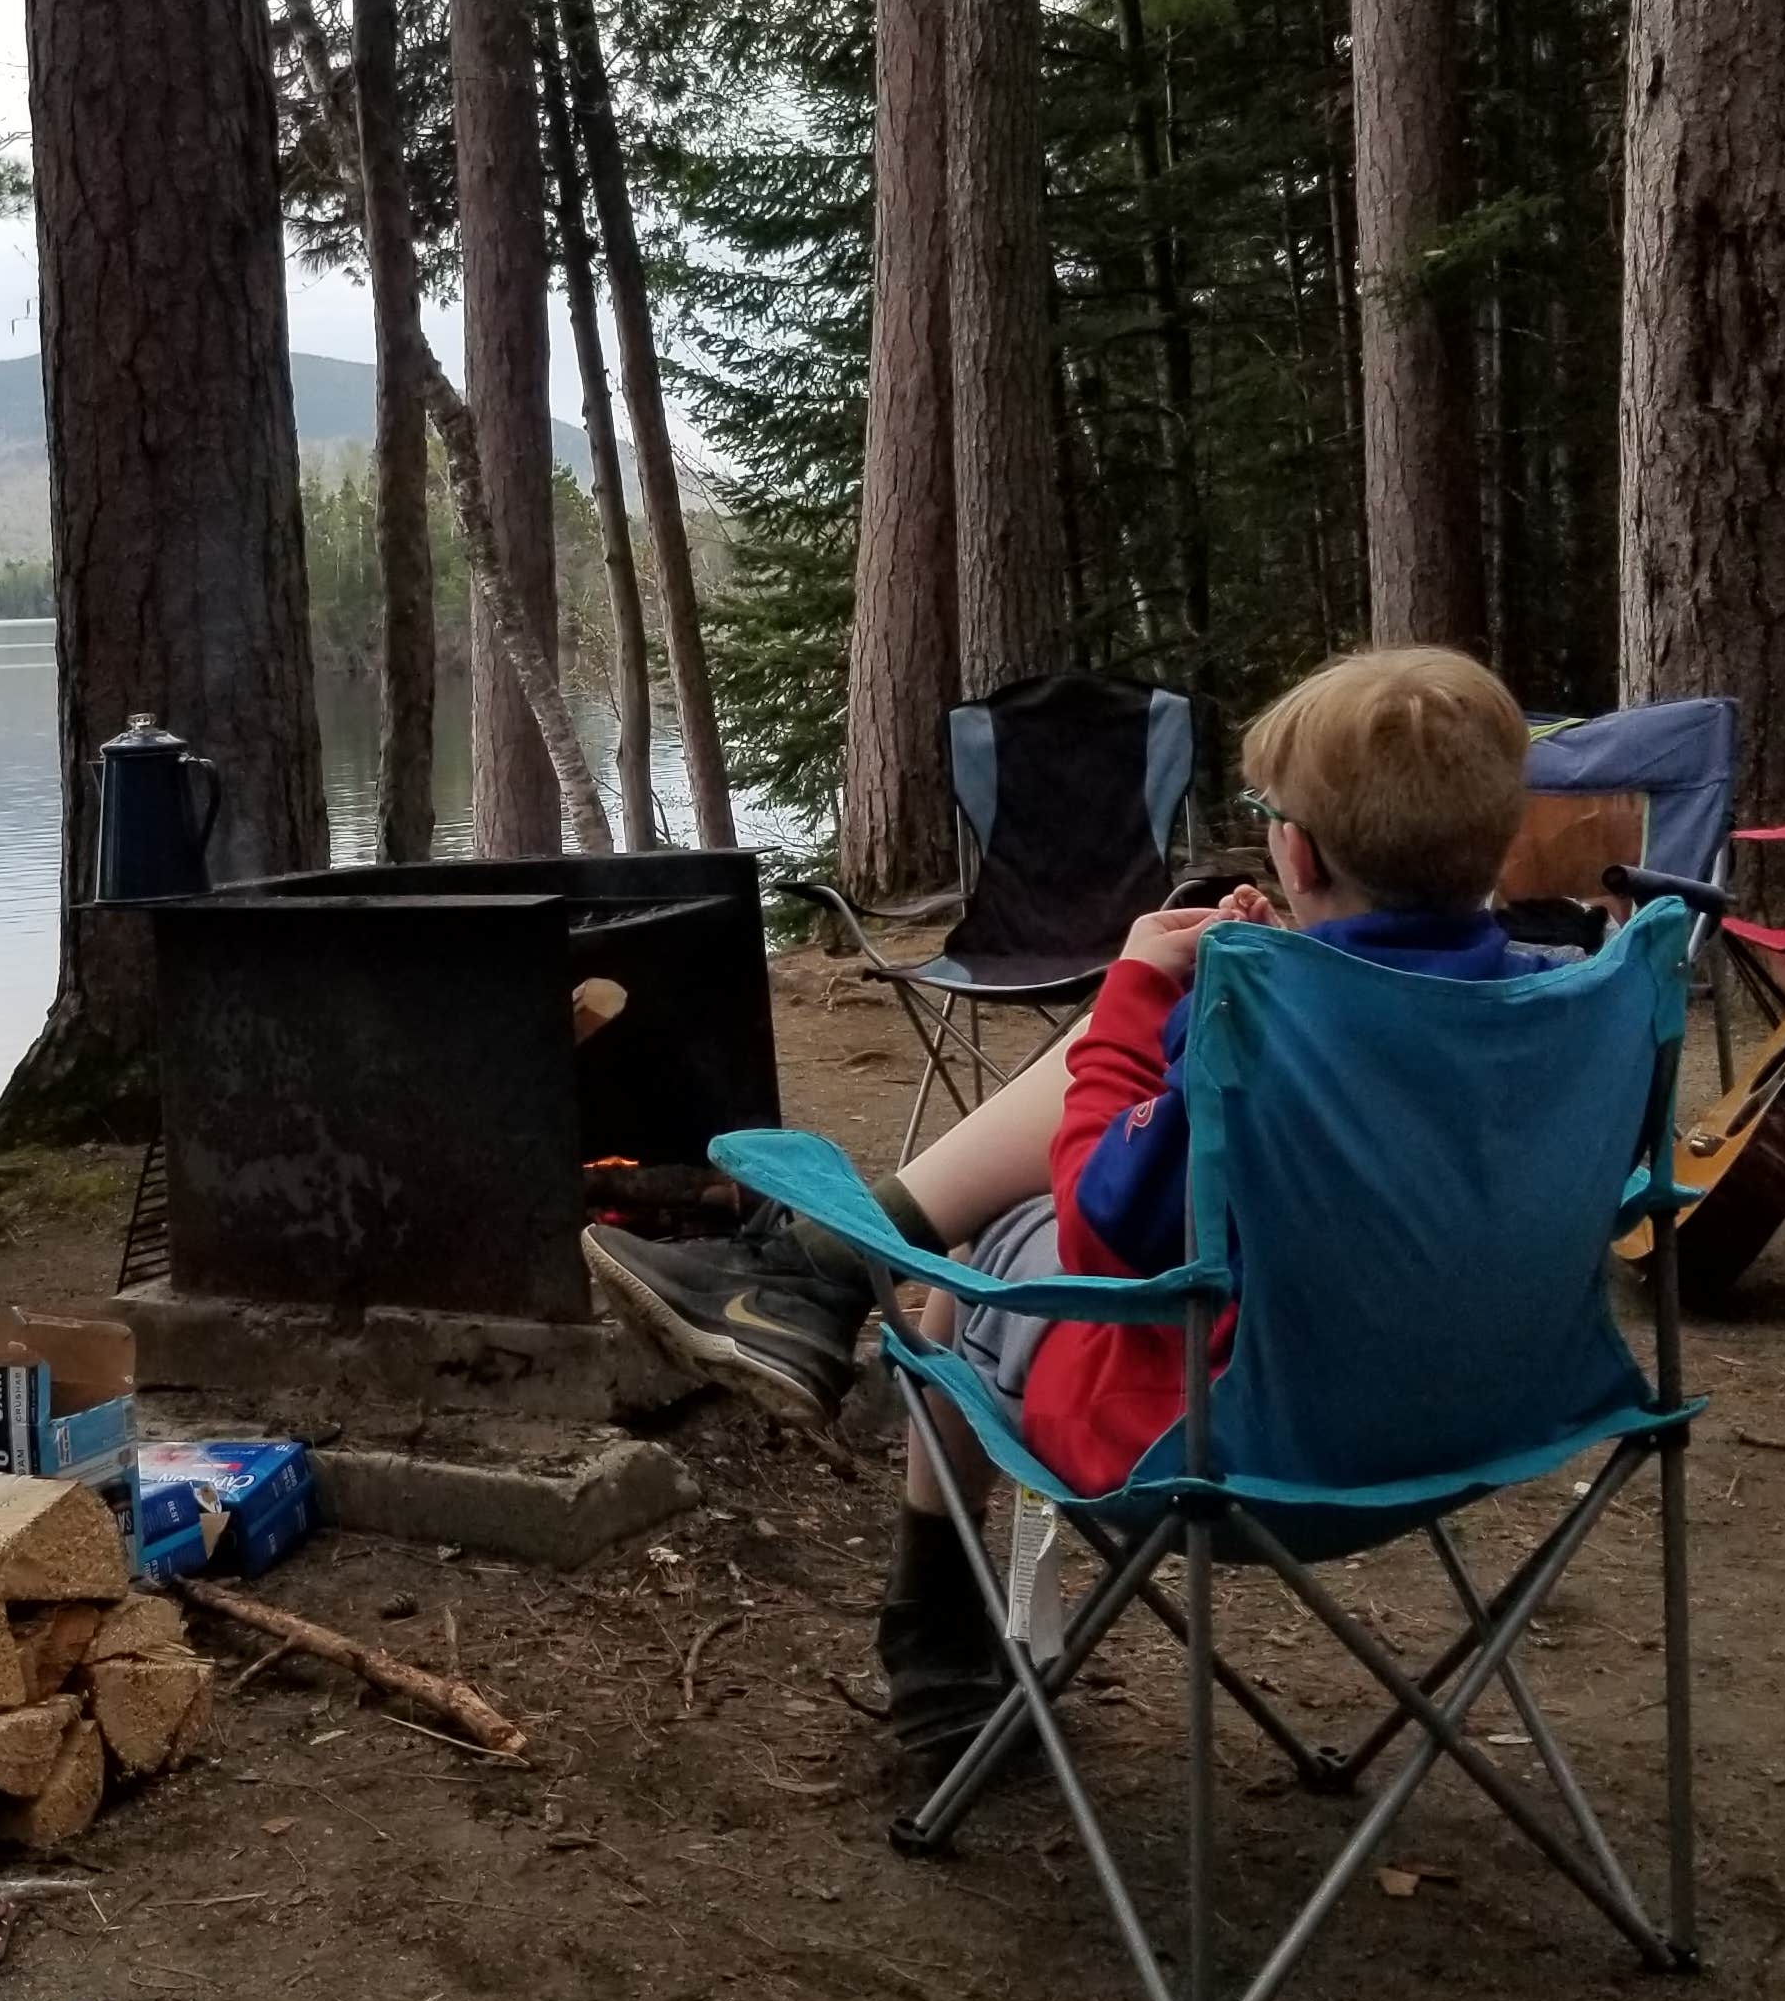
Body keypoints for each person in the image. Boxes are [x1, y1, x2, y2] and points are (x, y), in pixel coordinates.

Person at [584, 646, 1536, 1779]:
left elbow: (1101, 1225)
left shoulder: (1265, 1032)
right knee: (1067, 1158)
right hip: (1486, 1410)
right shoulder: (1552, 1003)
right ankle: (810, 1275)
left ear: (1297, 849)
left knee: (991, 1237)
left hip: (1228, 1440)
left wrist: (1139, 995)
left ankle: (931, 1644)